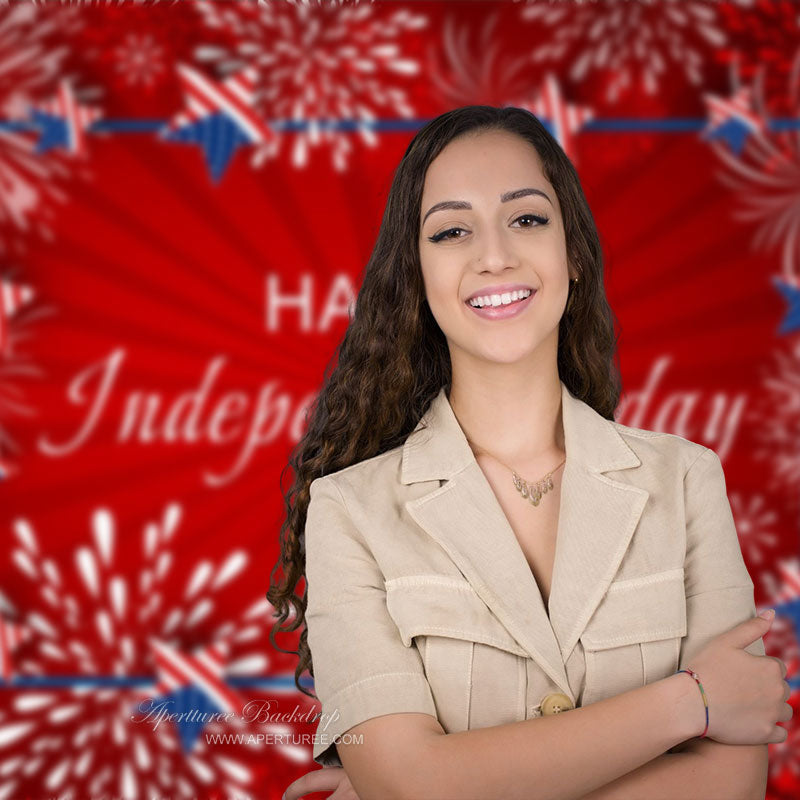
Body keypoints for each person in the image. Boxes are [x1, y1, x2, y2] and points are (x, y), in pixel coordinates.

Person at [268, 105, 791, 800]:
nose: (495, 256)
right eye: (452, 231)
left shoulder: (687, 480)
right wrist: (691, 701)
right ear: (416, 275)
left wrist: (436, 784)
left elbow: (733, 784)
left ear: (572, 253)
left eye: (526, 218)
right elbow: (407, 783)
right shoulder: (348, 511)